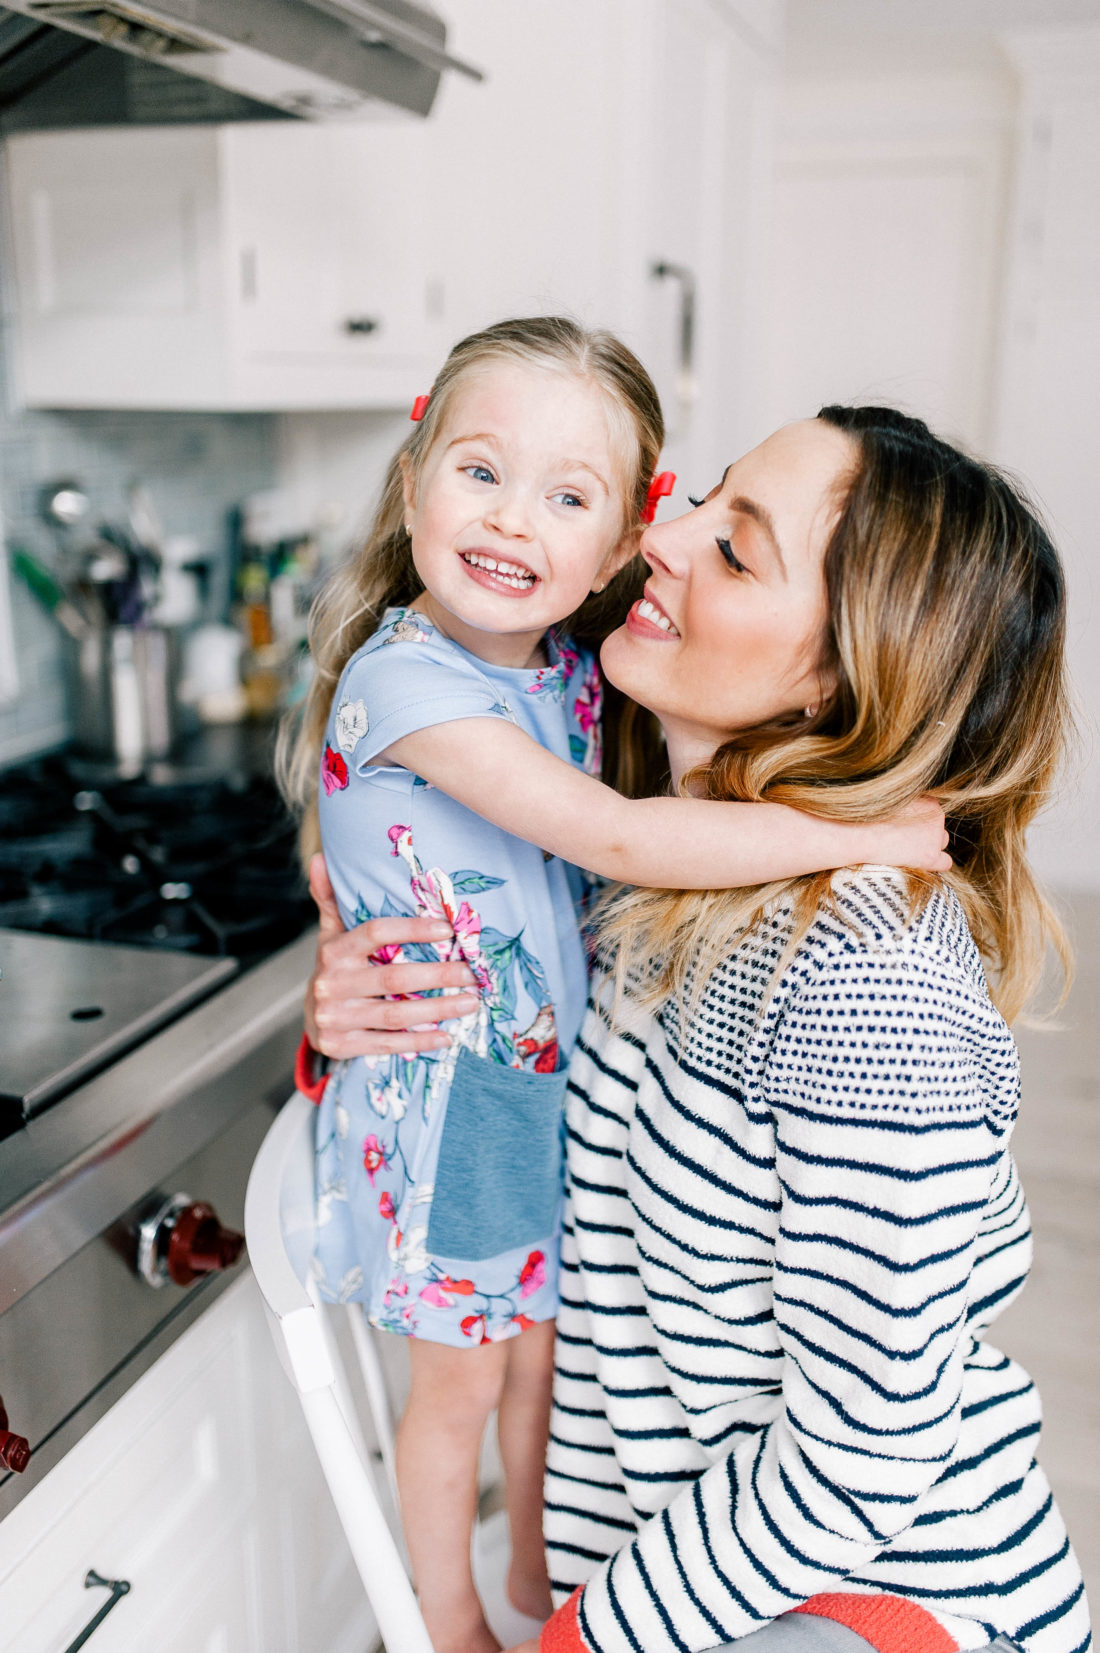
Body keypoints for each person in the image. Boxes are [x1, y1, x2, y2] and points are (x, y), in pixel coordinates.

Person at [301, 404, 1091, 1653]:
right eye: (703, 501)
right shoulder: (646, 869)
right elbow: (534, 1080)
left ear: (846, 674)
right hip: (683, 1585)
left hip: (870, 1610)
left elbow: (860, 1464)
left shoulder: (866, 984)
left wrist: (581, 1639)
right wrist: (374, 1008)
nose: (659, 536)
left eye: (734, 549)